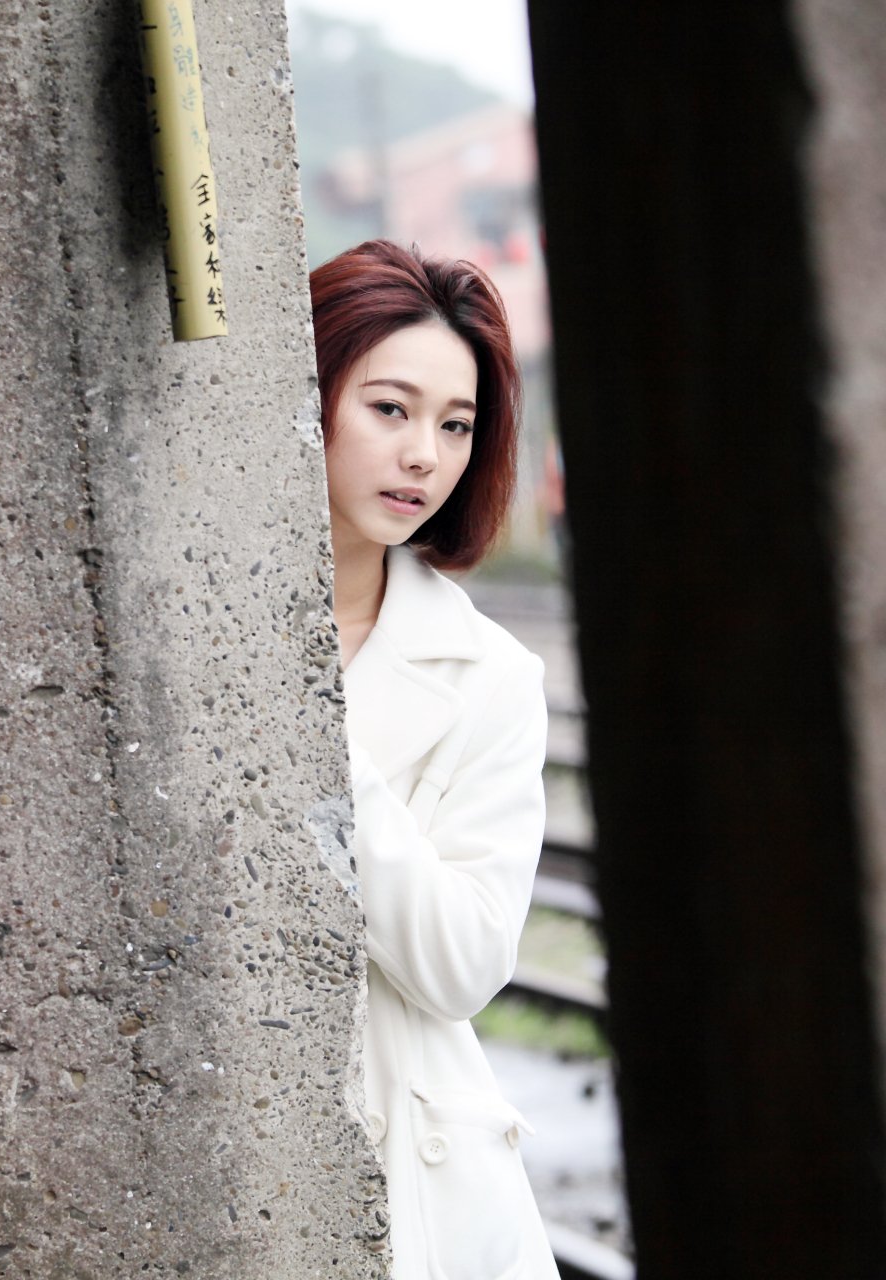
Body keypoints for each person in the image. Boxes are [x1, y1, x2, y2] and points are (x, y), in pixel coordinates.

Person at [312, 239, 559, 1280]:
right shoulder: (182, 627)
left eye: (456, 425)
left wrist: (315, 741)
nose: (424, 454)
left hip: (418, 1185)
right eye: (390, 408)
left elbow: (464, 962)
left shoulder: (491, 676)